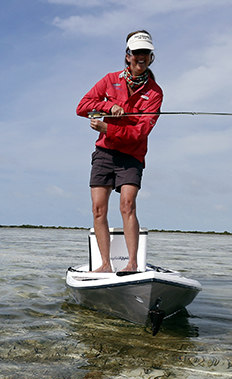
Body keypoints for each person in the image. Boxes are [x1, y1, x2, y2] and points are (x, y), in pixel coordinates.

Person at [77, 30, 163, 274]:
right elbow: (82, 107)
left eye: (145, 52)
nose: (141, 57)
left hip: (132, 154)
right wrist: (107, 106)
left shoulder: (155, 93)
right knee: (98, 209)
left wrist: (108, 127)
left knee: (127, 204)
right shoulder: (110, 79)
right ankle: (105, 265)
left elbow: (140, 132)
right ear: (128, 56)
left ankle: (132, 264)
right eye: (136, 52)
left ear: (151, 56)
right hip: (104, 152)